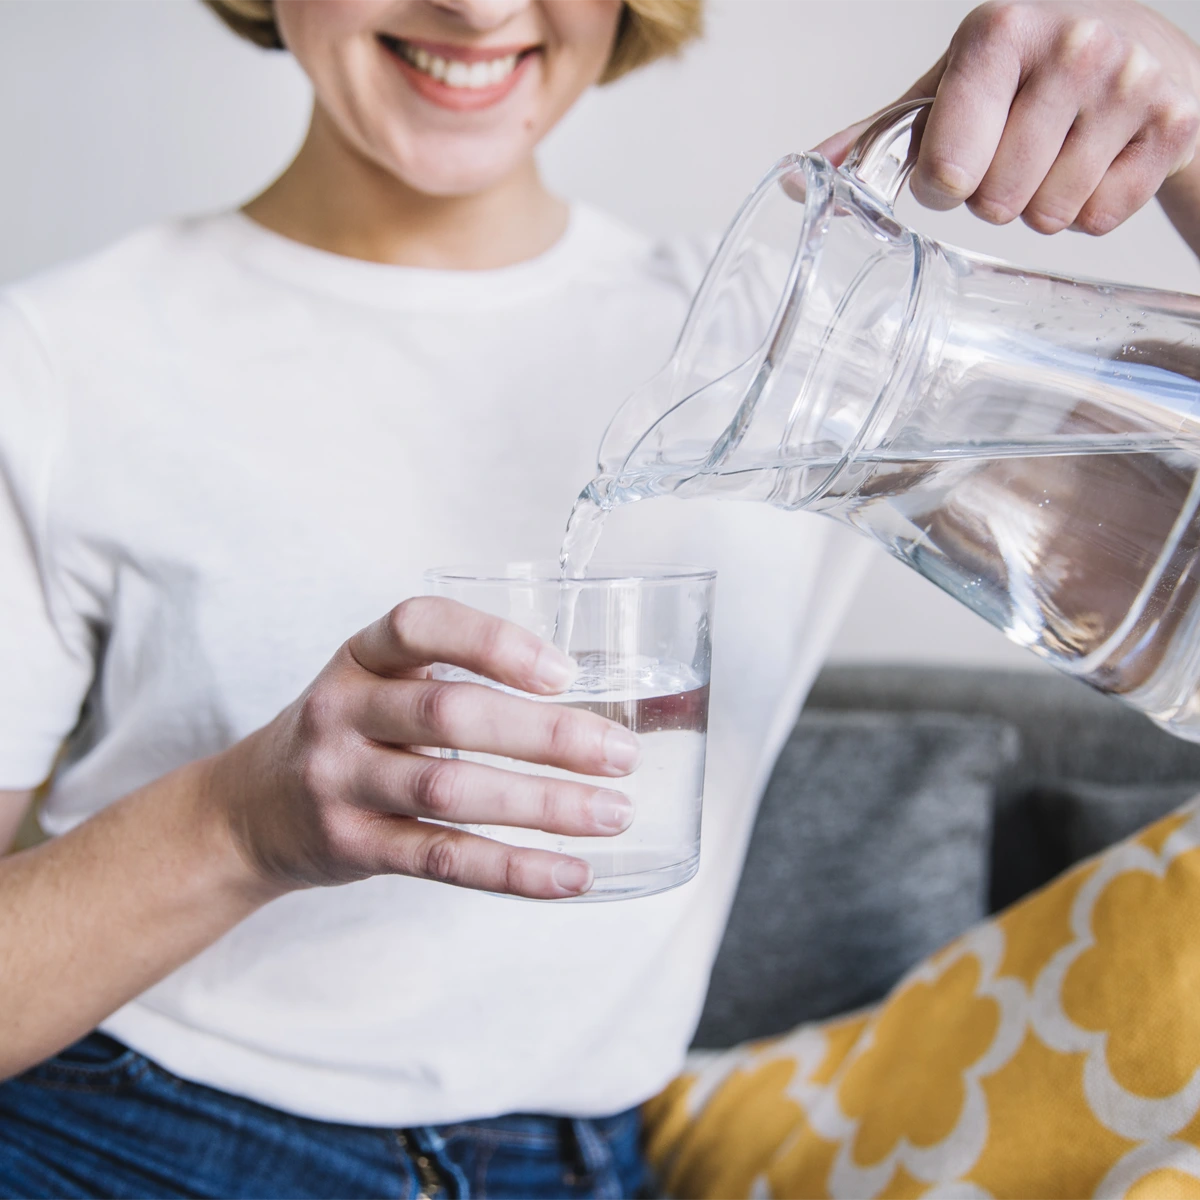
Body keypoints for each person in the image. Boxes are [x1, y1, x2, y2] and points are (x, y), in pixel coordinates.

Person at [0, 0, 1196, 1195]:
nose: (473, 7)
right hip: (120, 1135)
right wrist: (237, 820)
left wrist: (1187, 138)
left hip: (575, 1164)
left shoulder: (796, 352)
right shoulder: (57, 357)